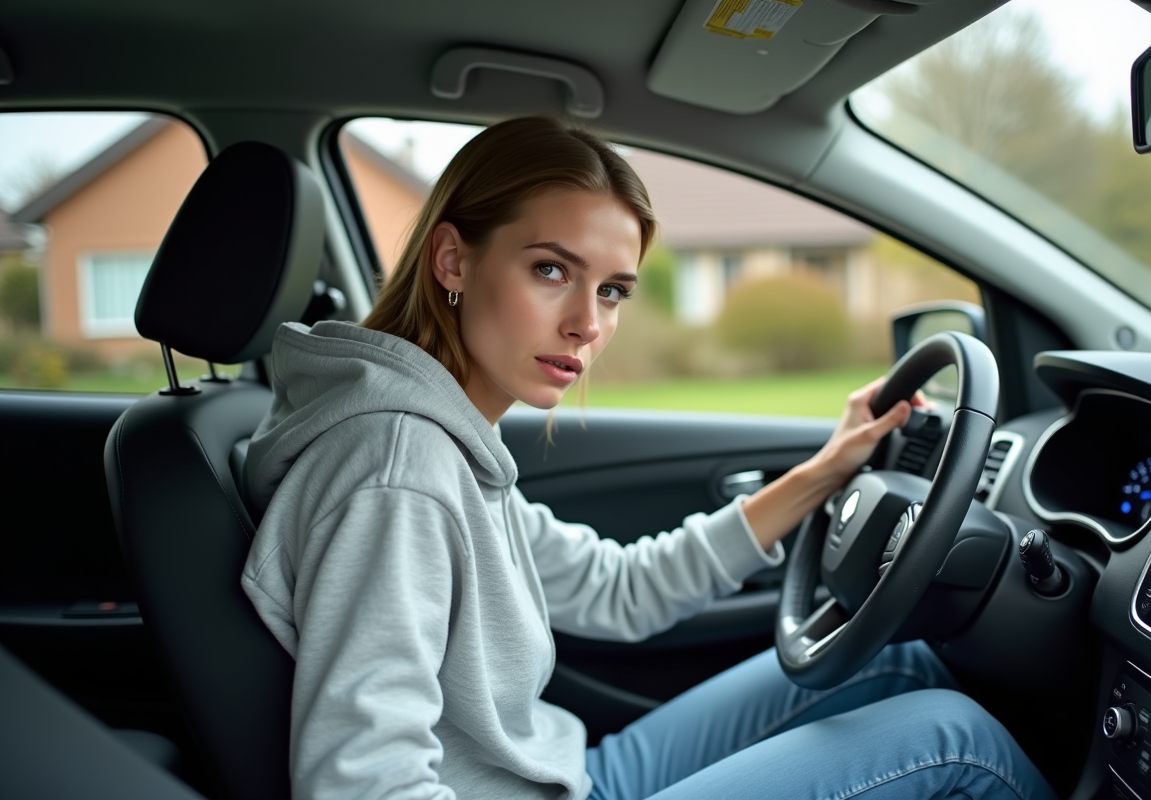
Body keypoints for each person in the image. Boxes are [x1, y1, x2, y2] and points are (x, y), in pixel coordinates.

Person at [241, 116, 1055, 800]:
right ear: (453, 260)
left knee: (905, 664)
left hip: (571, 773)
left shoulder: (444, 440)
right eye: (552, 269)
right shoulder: (399, 468)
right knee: (958, 742)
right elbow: (364, 782)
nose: (587, 324)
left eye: (612, 291)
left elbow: (618, 590)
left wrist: (824, 472)